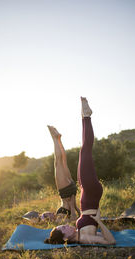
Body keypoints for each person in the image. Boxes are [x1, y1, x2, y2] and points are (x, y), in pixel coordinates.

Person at [45, 97, 116, 245]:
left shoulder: (78, 234)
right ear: (65, 237)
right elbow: (110, 242)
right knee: (85, 150)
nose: (66, 225)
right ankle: (87, 116)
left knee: (82, 153)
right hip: (90, 193)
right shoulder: (84, 238)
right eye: (64, 227)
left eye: (63, 225)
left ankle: (85, 116)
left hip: (87, 193)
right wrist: (99, 221)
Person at [47, 125, 80, 221]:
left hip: (72, 189)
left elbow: (74, 209)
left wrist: (77, 211)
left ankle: (58, 139)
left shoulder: (70, 210)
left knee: (63, 161)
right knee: (58, 162)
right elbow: (71, 217)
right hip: (66, 191)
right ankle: (55, 138)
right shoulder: (65, 212)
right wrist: (74, 213)